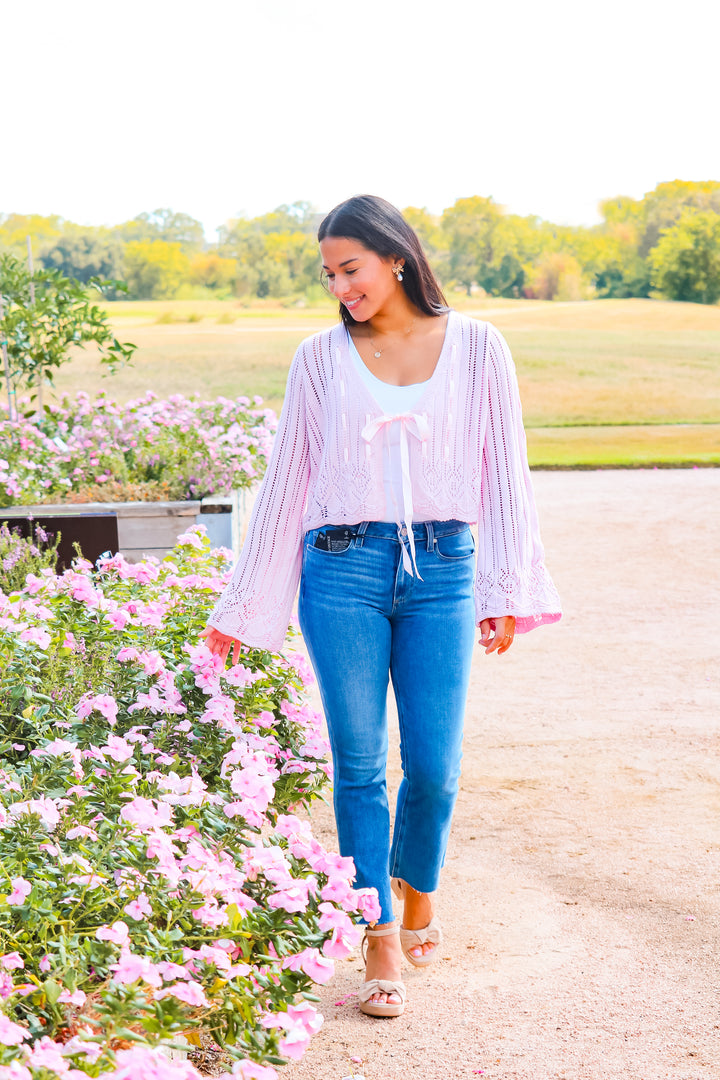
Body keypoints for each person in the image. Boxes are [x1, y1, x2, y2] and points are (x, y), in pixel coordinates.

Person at [200, 195, 561, 1018]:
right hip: (340, 571)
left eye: (350, 268)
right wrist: (243, 601)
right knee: (359, 766)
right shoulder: (319, 358)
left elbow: (507, 470)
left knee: (434, 767)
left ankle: (418, 879)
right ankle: (379, 937)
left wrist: (507, 584)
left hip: (443, 568)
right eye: (329, 274)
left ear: (396, 257)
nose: (340, 287)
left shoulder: (477, 346)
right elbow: (288, 480)